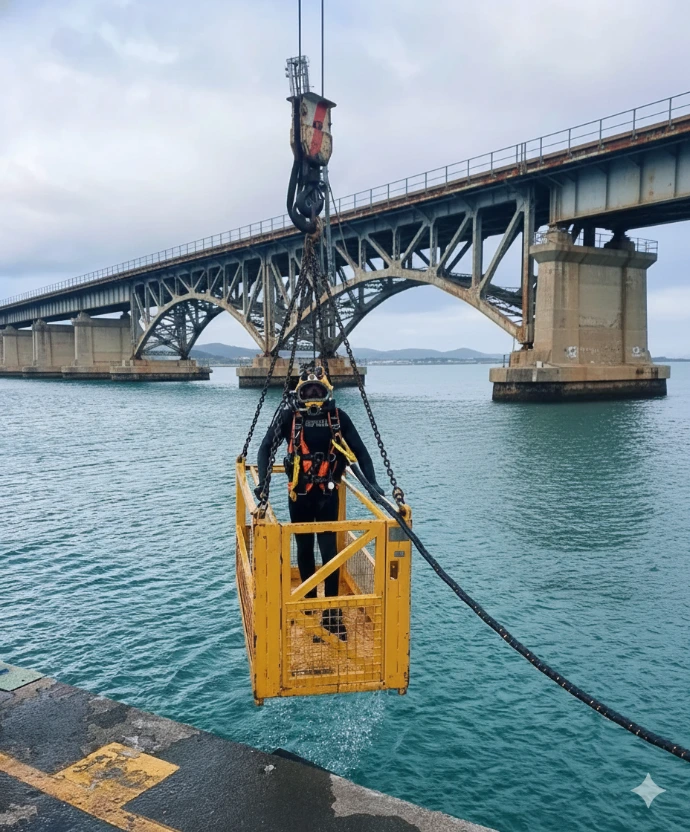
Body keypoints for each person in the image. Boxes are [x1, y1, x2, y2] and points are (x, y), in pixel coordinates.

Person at [256, 366, 382, 641]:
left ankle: (332, 614)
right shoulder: (289, 416)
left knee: (329, 553)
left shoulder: (338, 418)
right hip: (299, 495)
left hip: (326, 495)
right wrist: (263, 485)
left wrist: (373, 485)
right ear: (298, 394)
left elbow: (361, 452)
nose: (313, 398)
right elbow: (265, 447)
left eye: (318, 392)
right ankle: (310, 604)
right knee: (303, 548)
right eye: (307, 392)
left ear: (327, 393)